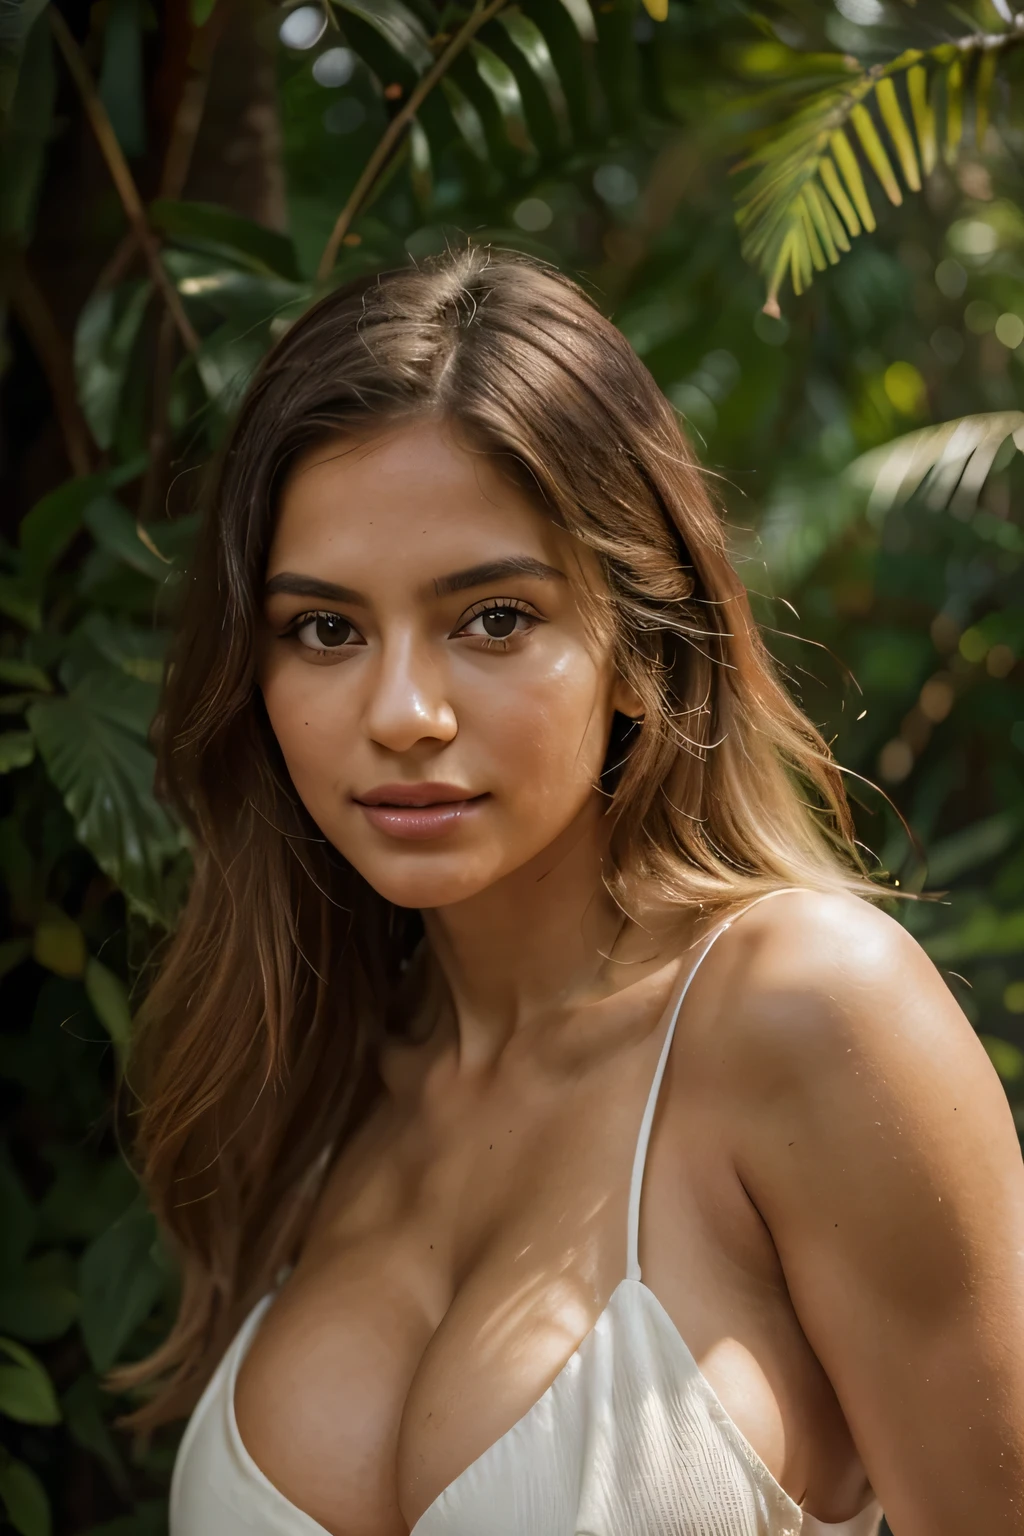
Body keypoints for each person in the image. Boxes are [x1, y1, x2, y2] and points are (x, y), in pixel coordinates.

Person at [121, 249, 1024, 1536]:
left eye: (492, 619)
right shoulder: (302, 1081)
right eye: (326, 630)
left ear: (636, 647)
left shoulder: (808, 1013)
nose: (403, 715)